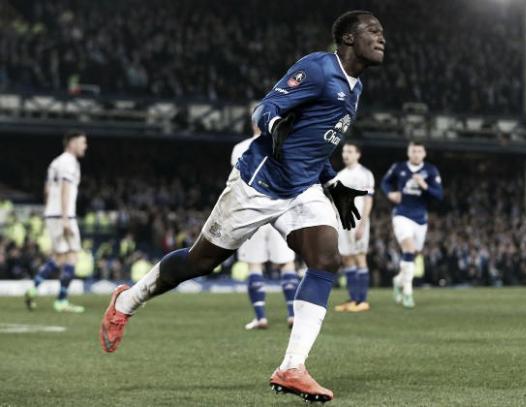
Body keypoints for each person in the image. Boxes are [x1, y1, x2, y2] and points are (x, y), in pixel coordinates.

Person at [99, 10, 384, 403]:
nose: (381, 37)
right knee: (199, 262)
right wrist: (274, 125)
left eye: (381, 32)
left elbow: (315, 145)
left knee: (326, 259)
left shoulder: (355, 88)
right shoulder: (319, 68)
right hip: (259, 182)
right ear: (348, 39)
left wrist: (331, 181)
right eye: (372, 31)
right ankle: (126, 301)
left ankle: (291, 368)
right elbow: (265, 108)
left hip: (300, 190)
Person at [231, 115, 298, 330]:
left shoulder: (240, 148)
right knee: (287, 262)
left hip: (252, 213)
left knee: (254, 264)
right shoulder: (284, 145)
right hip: (280, 210)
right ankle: (292, 315)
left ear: (253, 123)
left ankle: (261, 317)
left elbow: (236, 183)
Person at [25, 131, 88, 313]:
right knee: (73, 255)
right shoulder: (69, 162)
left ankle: (33, 288)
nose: (85, 146)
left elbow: (46, 190)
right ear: (72, 143)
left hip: (51, 213)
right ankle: (61, 301)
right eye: (83, 142)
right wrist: (66, 217)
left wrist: (49, 211)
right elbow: (66, 189)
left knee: (59, 257)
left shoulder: (55, 162)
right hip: (64, 214)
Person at [381, 141, 443, 309]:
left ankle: (398, 280)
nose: (416, 154)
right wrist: (390, 193)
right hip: (401, 215)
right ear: (409, 153)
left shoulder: (430, 170)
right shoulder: (399, 167)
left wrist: (425, 186)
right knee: (408, 249)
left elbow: (439, 195)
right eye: (413, 151)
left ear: (424, 154)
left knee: (412, 255)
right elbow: (385, 182)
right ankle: (408, 292)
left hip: (421, 218)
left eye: (419, 151)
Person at [333, 142, 375, 313]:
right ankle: (353, 299)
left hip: (357, 221)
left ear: (358, 154)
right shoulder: (339, 175)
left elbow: (368, 200)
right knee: (347, 258)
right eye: (344, 151)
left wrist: (363, 225)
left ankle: (362, 300)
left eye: (350, 151)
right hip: (343, 221)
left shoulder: (365, 174)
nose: (346, 155)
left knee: (360, 257)